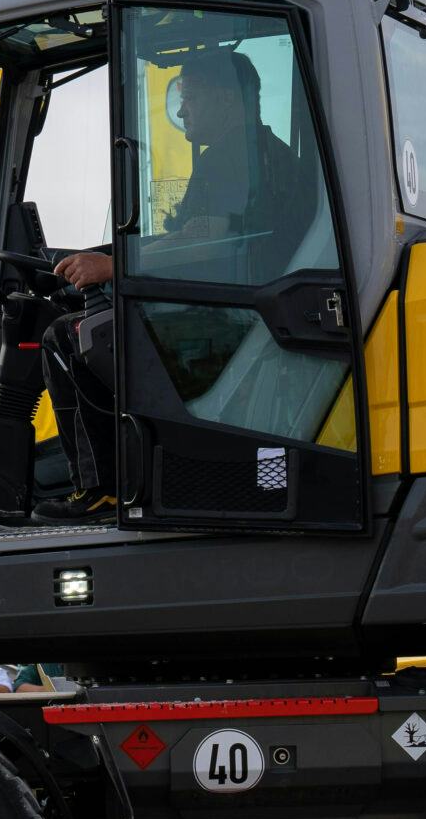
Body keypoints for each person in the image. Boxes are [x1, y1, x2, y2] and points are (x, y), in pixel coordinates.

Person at [42, 46, 316, 512]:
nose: (181, 108)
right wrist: (112, 256)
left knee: (69, 338)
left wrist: (113, 266)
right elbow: (200, 236)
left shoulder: (233, 156)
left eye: (190, 96)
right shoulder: (260, 151)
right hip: (244, 309)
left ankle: (102, 487)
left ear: (229, 99)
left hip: (227, 321)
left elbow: (207, 242)